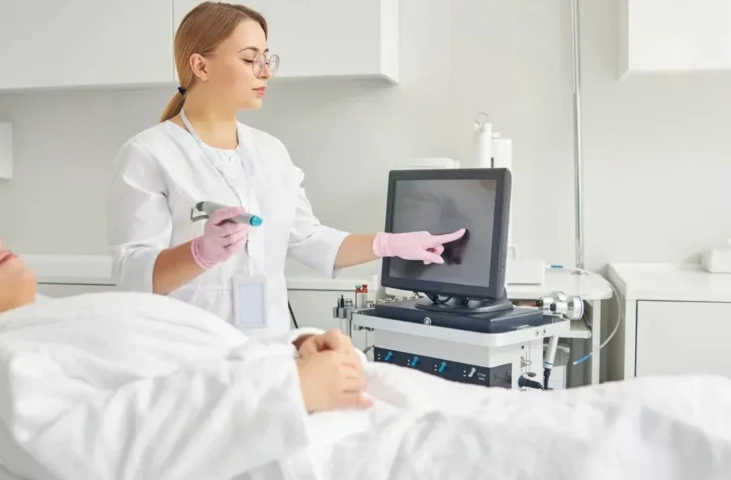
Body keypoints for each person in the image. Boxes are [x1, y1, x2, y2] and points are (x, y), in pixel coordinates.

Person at [0, 227, 731, 479]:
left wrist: (294, 350)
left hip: (340, 413)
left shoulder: (70, 318)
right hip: (316, 453)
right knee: (637, 425)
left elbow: (197, 367)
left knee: (624, 416)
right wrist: (286, 389)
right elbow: (107, 452)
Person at [105, 1, 465, 339]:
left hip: (267, 351)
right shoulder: (149, 154)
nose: (265, 72)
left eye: (267, 58)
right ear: (201, 66)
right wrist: (201, 252)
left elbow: (311, 239)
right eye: (250, 59)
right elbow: (132, 275)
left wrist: (391, 244)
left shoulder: (270, 152)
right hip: (188, 353)